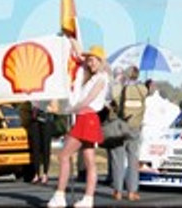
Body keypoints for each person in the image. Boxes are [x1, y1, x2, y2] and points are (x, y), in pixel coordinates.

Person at [48, 42, 110, 208]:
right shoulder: (90, 73)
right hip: (86, 118)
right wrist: (71, 36)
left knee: (63, 156)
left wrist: (71, 109)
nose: (90, 62)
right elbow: (79, 53)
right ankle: (88, 199)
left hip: (87, 118)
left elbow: (89, 99)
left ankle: (60, 195)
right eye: (89, 60)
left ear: (101, 60)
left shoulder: (102, 78)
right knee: (89, 161)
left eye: (94, 60)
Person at [108, 65, 147, 201]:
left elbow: (113, 100)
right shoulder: (142, 89)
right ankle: (132, 191)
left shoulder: (119, 88)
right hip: (135, 126)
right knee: (133, 159)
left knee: (117, 159)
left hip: (120, 126)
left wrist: (119, 81)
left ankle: (117, 190)